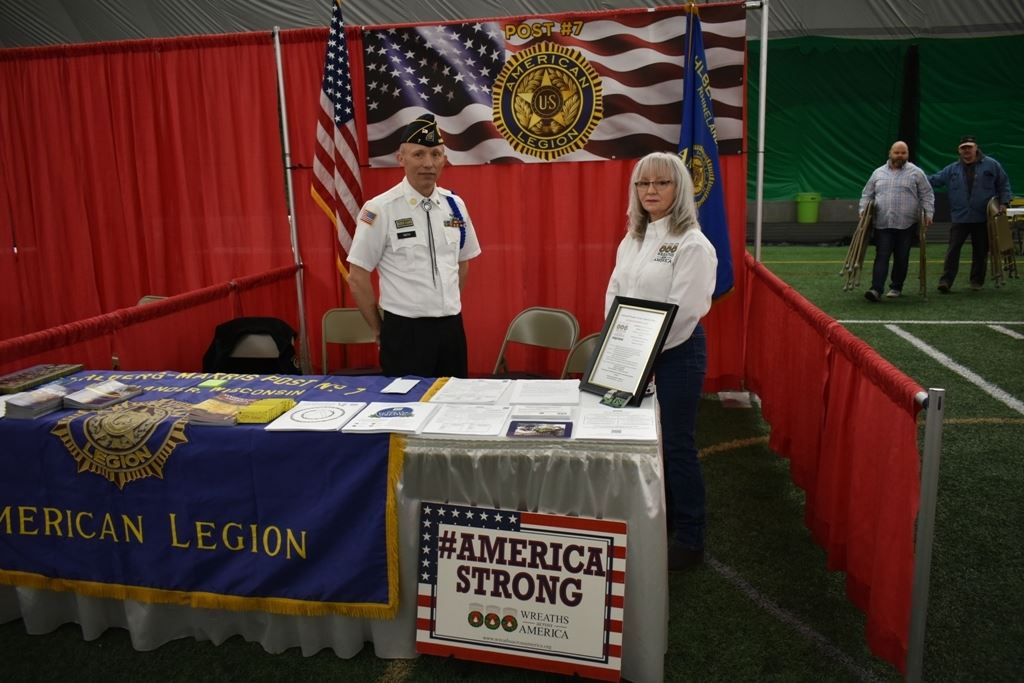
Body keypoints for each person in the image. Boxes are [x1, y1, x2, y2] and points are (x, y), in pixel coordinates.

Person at [605, 152, 717, 571]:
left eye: (661, 183)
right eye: (642, 184)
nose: (650, 191)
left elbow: (684, 310)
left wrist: (642, 355)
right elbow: (614, 292)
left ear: (680, 189)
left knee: (676, 444)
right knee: (641, 443)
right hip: (632, 352)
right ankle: (659, 519)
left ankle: (691, 537)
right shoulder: (633, 238)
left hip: (677, 353)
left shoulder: (693, 244)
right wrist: (619, 345)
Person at [347, 114, 481, 377]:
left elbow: (462, 262)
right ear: (401, 159)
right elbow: (357, 276)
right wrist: (379, 330)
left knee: (453, 407)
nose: (428, 163)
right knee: (406, 412)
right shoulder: (380, 209)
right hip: (404, 332)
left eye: (436, 154)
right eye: (419, 154)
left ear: (444, 158)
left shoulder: (455, 205)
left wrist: (443, 303)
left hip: (451, 329)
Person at [928, 135, 1013, 293]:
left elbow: (1003, 184)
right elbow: (934, 180)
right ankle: (946, 281)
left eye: (969, 147)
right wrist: (914, 176)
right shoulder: (952, 169)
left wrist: (1004, 203)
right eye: (963, 148)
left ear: (976, 148)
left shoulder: (992, 165)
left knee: (981, 250)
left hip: (983, 217)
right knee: (953, 249)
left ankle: (976, 281)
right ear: (959, 151)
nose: (966, 150)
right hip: (960, 217)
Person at [858, 140, 934, 302]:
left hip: (906, 223)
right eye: (897, 152)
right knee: (882, 255)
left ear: (907, 154)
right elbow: (867, 194)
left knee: (902, 256)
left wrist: (929, 213)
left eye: (903, 153)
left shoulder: (916, 172)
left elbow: (927, 194)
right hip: (883, 223)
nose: (900, 156)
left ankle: (896, 287)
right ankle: (876, 289)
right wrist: (863, 211)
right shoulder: (878, 173)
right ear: (890, 153)